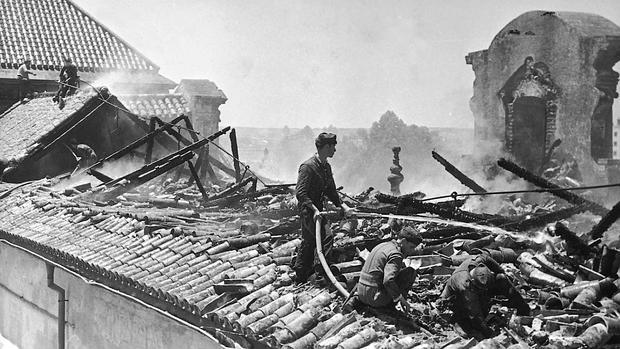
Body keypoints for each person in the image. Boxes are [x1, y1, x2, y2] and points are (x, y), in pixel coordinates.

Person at [294, 132, 354, 283]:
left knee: (309, 240)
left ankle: (301, 273)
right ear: (326, 146)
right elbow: (300, 193)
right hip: (308, 210)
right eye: (333, 146)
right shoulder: (308, 167)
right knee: (326, 237)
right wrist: (314, 210)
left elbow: (331, 191)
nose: (335, 150)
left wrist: (343, 206)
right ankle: (320, 274)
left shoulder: (326, 166)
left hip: (318, 210)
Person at [439, 252, 530, 340]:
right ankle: (459, 321)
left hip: (476, 290)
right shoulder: (465, 286)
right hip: (456, 299)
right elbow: (475, 314)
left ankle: (524, 309)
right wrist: (487, 331)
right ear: (473, 281)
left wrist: (500, 271)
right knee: (476, 317)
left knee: (501, 278)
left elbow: (486, 258)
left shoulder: (478, 262)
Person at [357, 226, 421, 313]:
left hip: (361, 294)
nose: (412, 251)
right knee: (410, 272)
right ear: (403, 241)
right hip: (374, 299)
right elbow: (388, 280)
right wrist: (401, 299)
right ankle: (392, 307)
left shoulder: (382, 245)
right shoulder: (396, 254)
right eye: (411, 247)